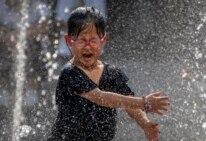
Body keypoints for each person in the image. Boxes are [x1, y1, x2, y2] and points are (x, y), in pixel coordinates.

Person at [47, 6, 170, 141]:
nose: (88, 46)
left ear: (103, 40)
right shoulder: (70, 73)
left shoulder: (112, 73)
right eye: (81, 40)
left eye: (93, 40)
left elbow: (129, 105)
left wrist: (145, 123)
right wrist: (144, 102)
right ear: (69, 41)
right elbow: (100, 97)